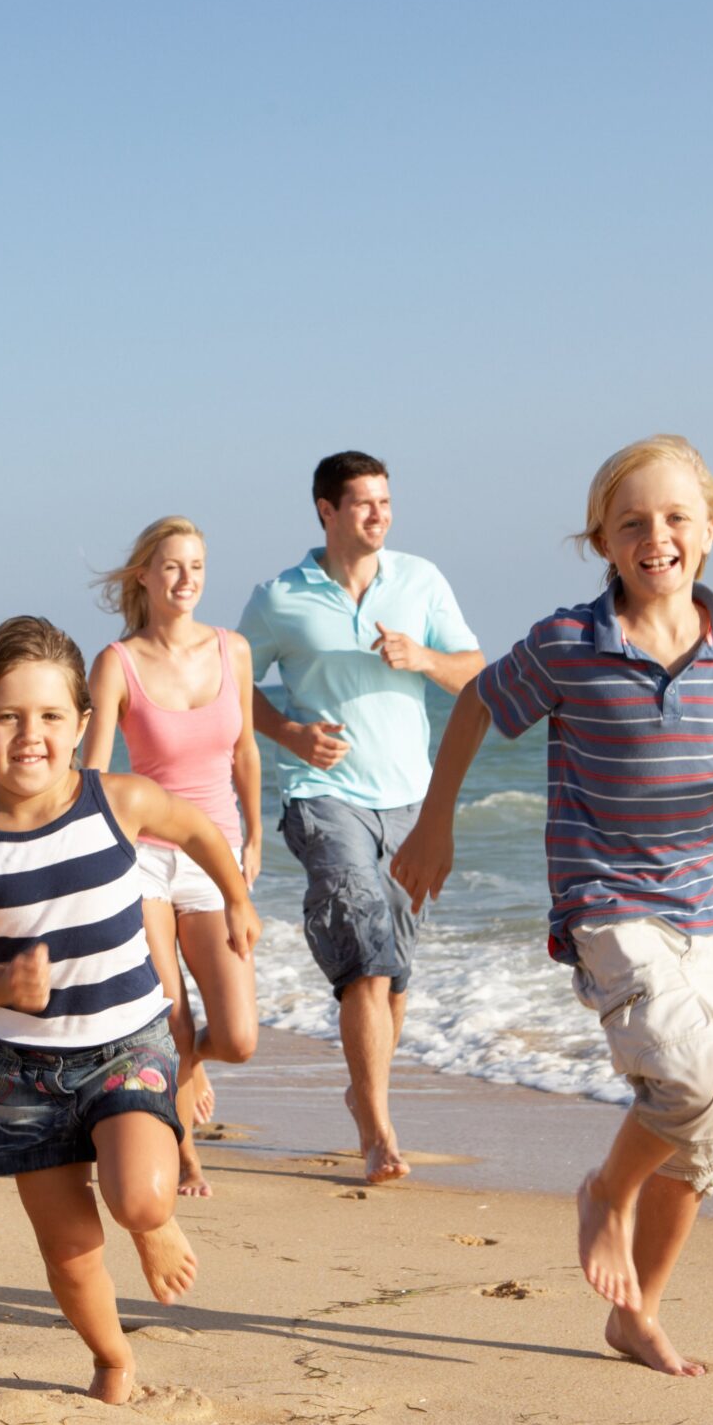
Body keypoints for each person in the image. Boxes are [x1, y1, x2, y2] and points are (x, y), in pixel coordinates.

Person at [391, 435, 713, 1378]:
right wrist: (435, 823)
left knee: (711, 1127)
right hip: (608, 900)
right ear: (602, 541)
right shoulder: (568, 645)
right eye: (631, 523)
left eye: (674, 518)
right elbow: (473, 703)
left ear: (710, 530)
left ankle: (639, 1312)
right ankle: (604, 1192)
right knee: (692, 1079)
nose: (654, 535)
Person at [0, 617, 258, 1405]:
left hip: (127, 1044)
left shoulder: (116, 801)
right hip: (22, 1071)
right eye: (8, 717)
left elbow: (196, 828)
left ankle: (154, 1222)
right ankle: (111, 1356)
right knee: (69, 1246)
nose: (30, 734)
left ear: (83, 724)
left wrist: (235, 897)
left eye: (51, 716)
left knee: (138, 1195)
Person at [238, 452, 482, 1185]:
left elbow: (476, 671)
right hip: (321, 794)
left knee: (395, 972)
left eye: (386, 501)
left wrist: (423, 657)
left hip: (410, 800)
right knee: (366, 956)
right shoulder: (280, 596)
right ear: (326, 510)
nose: (381, 514)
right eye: (365, 503)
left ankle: (363, 1086)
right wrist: (288, 734)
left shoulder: (421, 579)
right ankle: (377, 1130)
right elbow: (229, 684)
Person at [79, 517, 262, 1199]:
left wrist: (252, 837)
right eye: (173, 567)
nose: (187, 580)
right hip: (145, 858)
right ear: (145, 576)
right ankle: (186, 1156)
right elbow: (95, 770)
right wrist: (83, 847)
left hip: (213, 852)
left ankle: (190, 1063)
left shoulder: (232, 649)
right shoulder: (117, 661)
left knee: (238, 1034)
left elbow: (245, 749)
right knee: (170, 1014)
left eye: (197, 567)